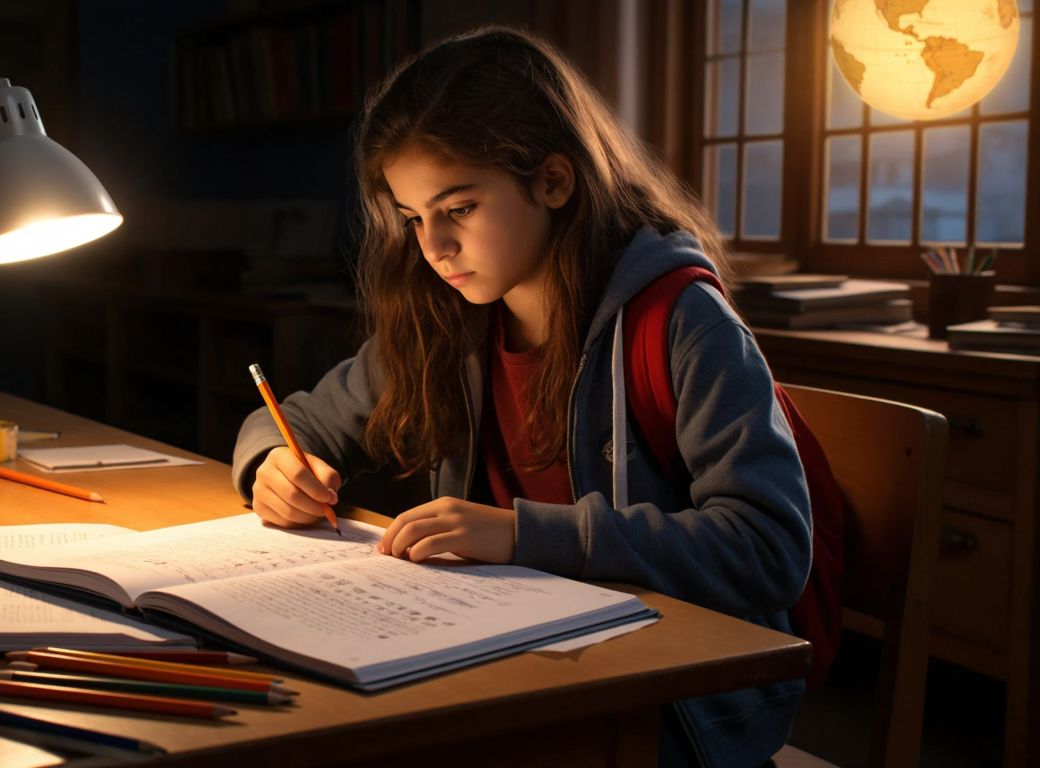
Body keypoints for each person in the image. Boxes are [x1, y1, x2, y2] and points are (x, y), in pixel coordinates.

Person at [231, 26, 810, 768]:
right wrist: (274, 464)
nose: (432, 247)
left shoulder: (681, 321)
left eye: (460, 208)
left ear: (554, 182)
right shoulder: (451, 319)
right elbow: (292, 419)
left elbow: (769, 547)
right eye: (412, 218)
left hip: (664, 703)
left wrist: (521, 534)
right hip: (509, 666)